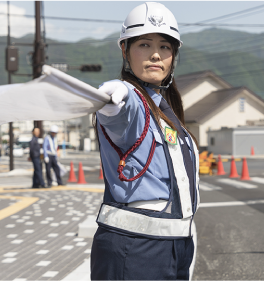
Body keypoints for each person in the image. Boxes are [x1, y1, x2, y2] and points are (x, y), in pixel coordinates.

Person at [90, 2, 200, 280]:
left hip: (175, 244)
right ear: (125, 51)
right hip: (136, 247)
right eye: (144, 45)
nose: (155, 54)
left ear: (174, 55)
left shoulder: (164, 108)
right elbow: (119, 105)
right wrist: (113, 93)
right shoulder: (131, 101)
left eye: (165, 47)